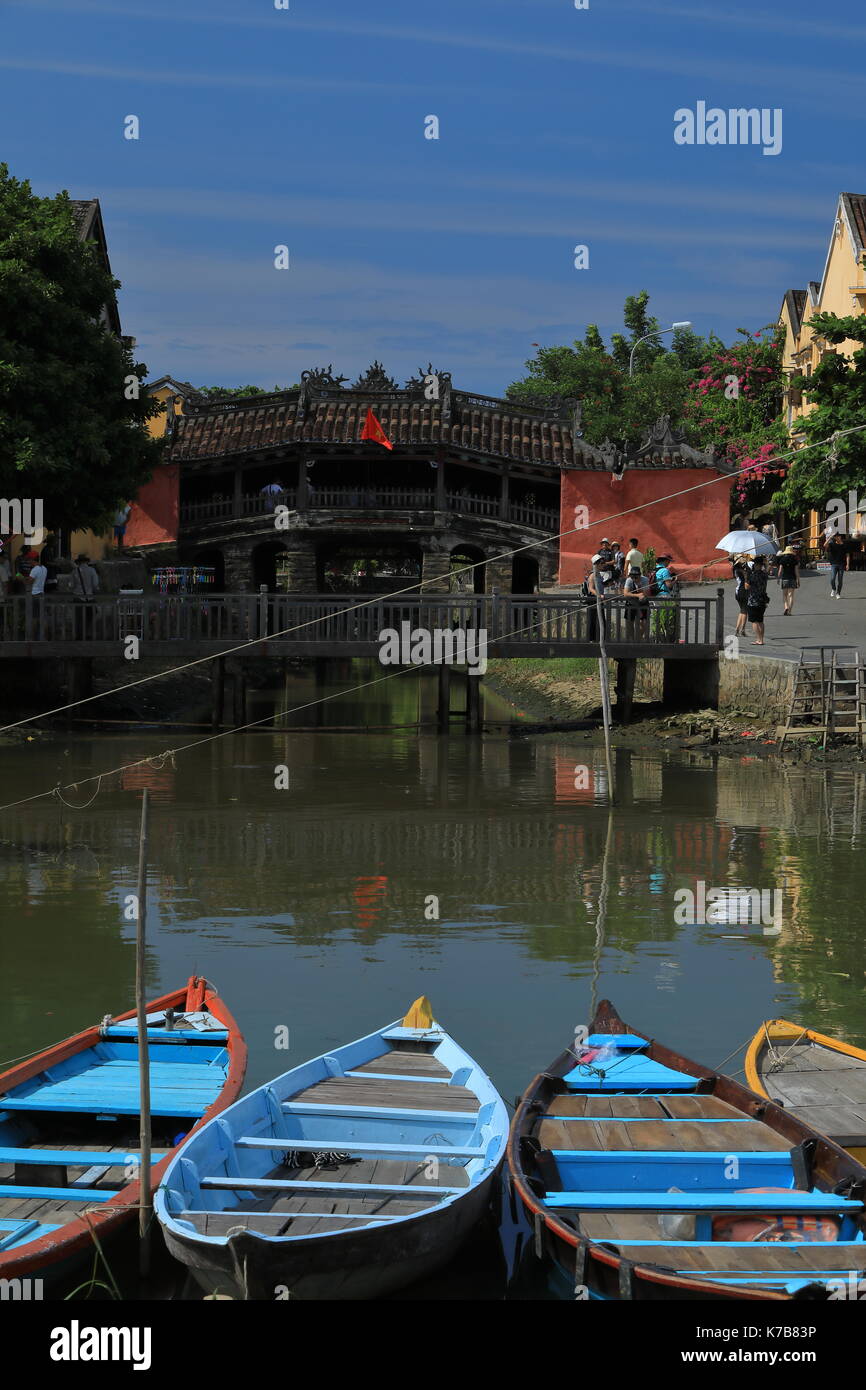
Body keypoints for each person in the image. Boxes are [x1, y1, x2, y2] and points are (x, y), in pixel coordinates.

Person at [72, 553, 100, 638]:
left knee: (78, 618)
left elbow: (71, 586)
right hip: (89, 597)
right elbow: (95, 584)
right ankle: (87, 633)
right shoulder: (92, 570)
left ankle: (79, 635)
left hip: (77, 597)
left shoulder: (74, 571)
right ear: (86, 562)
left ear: (79, 562)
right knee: (90, 615)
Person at [744, 555, 769, 644]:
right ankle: (761, 639)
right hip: (762, 599)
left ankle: (758, 639)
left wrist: (746, 577)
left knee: (754, 621)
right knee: (760, 621)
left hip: (753, 600)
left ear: (756, 565)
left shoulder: (753, 575)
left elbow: (746, 587)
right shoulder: (764, 575)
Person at [623, 564, 649, 637]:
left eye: (636, 577)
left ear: (640, 575)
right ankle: (632, 640)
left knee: (643, 622)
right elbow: (625, 593)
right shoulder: (629, 580)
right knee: (629, 622)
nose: (634, 578)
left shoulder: (645, 580)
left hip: (642, 603)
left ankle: (639, 639)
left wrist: (641, 591)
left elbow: (646, 593)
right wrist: (637, 595)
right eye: (632, 576)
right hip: (631, 603)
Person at [775, 546, 800, 615]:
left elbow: (780, 570)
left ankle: (786, 607)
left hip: (784, 579)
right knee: (791, 595)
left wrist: (778, 578)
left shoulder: (782, 559)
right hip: (792, 578)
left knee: (784, 595)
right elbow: (796, 571)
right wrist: (798, 580)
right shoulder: (795, 560)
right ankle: (789, 611)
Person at [826, 530, 849, 598]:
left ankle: (838, 593)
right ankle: (833, 589)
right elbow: (825, 545)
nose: (837, 537)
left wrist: (847, 564)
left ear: (840, 537)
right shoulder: (832, 544)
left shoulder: (845, 545)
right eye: (835, 536)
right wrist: (830, 538)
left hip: (841, 564)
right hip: (834, 564)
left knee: (840, 580)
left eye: (838, 536)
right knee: (832, 579)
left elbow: (847, 555)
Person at [732, 553, 750, 636]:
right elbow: (746, 577)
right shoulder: (742, 570)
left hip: (738, 591)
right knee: (745, 611)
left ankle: (737, 628)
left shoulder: (735, 569)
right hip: (743, 591)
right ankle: (742, 629)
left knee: (742, 611)